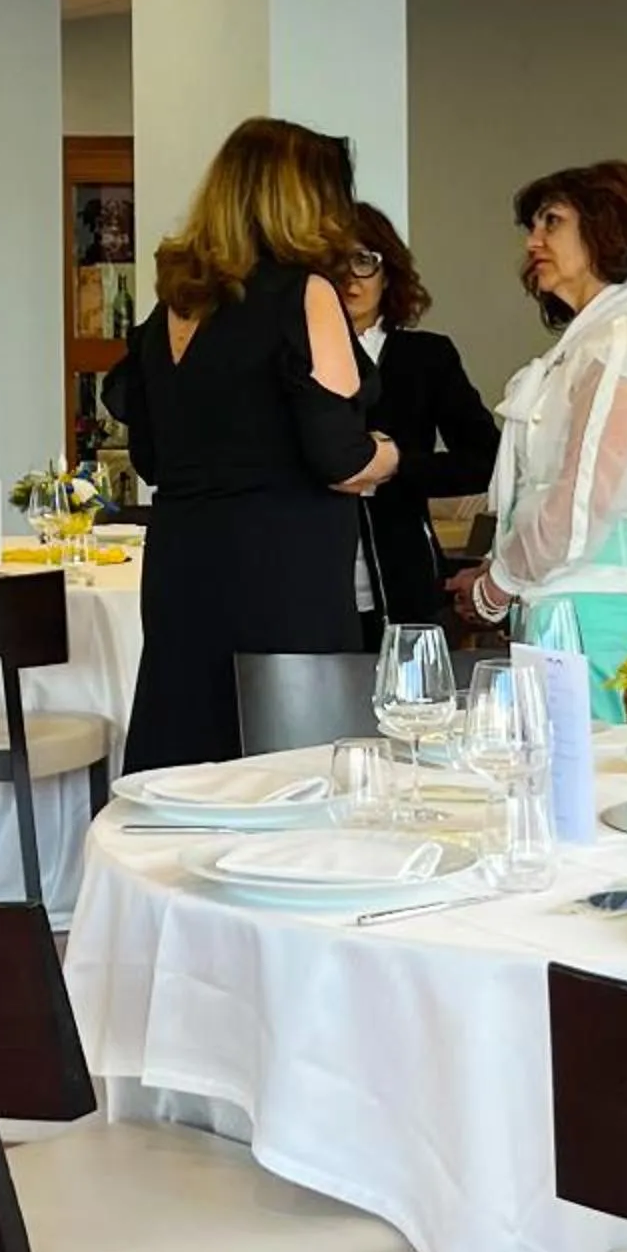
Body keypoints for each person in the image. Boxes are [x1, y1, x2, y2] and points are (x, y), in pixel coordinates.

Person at [112, 118, 390, 772]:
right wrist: (389, 453)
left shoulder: (172, 310)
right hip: (282, 572)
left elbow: (152, 458)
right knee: (288, 765)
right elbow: (340, 457)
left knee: (190, 756)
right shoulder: (304, 294)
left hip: (184, 566)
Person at [452, 161, 627, 723]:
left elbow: (583, 495)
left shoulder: (622, 340)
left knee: (572, 768)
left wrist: (498, 583)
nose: (533, 241)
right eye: (532, 226)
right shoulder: (593, 339)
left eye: (551, 222)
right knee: (552, 764)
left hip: (587, 591)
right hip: (562, 588)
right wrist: (498, 568)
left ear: (607, 230)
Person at [339, 204, 498, 627]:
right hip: (305, 582)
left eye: (364, 260)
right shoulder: (288, 359)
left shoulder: (426, 357)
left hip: (402, 578)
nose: (348, 277)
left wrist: (395, 467)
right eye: (331, 262)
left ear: (387, 271)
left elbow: (485, 459)